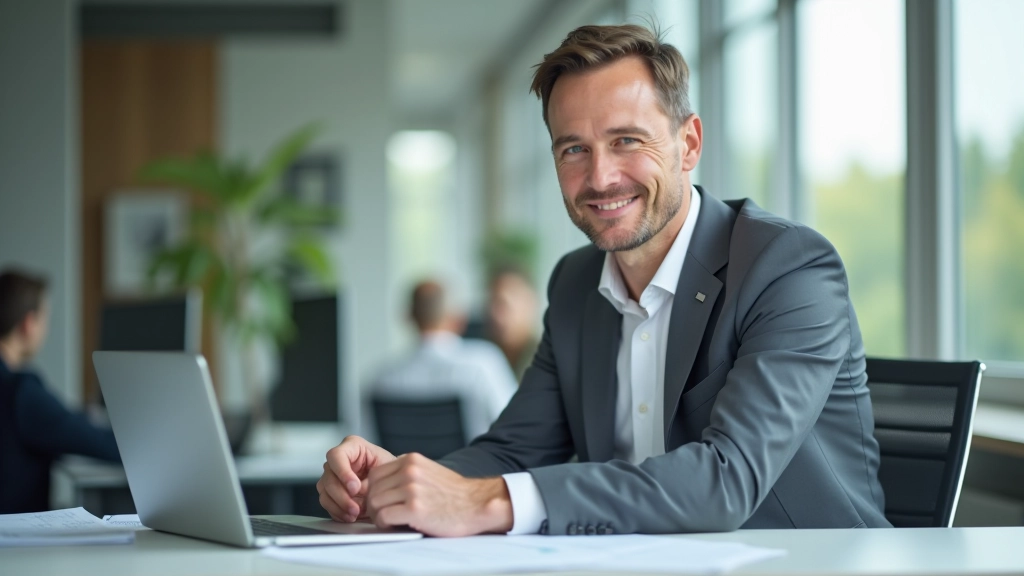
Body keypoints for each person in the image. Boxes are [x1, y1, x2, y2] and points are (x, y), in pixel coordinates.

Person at [318, 24, 888, 536]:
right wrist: (401, 486)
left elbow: (726, 480)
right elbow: (515, 450)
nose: (600, 177)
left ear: (688, 143)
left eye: (626, 141)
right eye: (574, 150)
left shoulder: (786, 267)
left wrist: (489, 502)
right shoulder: (575, 282)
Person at [0, 269, 121, 513]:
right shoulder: (20, 392)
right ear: (28, 324)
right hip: (16, 543)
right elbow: (98, 443)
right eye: (45, 318)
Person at [369, 281, 517, 442]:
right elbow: (515, 427)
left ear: (409, 317)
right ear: (459, 318)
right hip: (468, 466)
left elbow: (365, 443)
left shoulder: (378, 380)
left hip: (402, 467)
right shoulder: (483, 363)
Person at [486, 266, 540, 382]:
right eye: (491, 303)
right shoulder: (479, 354)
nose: (494, 314)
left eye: (503, 304)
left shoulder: (550, 361)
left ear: (529, 303)